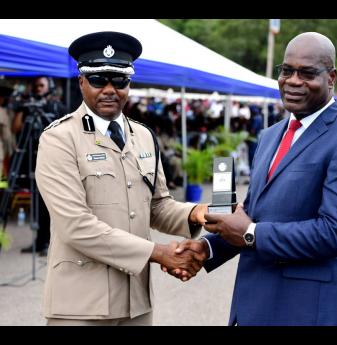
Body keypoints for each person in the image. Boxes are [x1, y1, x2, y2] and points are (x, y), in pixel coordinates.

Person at [170, 32, 337, 325]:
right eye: (286, 71)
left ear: (331, 77)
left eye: (307, 73)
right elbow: (253, 214)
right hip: (251, 307)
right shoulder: (271, 136)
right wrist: (207, 249)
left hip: (306, 311)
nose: (293, 80)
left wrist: (252, 233)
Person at [35, 31, 208, 326]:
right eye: (99, 79)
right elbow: (75, 225)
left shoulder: (143, 136)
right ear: (81, 82)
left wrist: (196, 213)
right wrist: (159, 253)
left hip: (135, 302)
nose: (110, 89)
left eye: (120, 80)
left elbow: (157, 206)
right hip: (80, 305)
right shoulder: (59, 139)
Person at [12, 76, 66, 256]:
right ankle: (39, 240)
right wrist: (22, 109)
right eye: (35, 86)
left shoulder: (57, 108)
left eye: (41, 85)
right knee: (36, 202)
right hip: (32, 160)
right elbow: (16, 128)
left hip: (53, 164)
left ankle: (50, 243)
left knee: (48, 205)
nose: (38, 89)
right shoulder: (29, 107)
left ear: (49, 87)